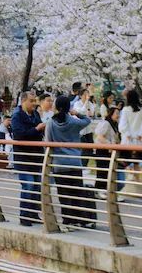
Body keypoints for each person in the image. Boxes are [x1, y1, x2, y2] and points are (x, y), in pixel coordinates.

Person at [46, 95, 95, 228]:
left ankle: (68, 221)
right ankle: (79, 219)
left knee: (63, 194)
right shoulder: (73, 122)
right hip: (74, 163)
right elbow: (87, 120)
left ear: (56, 107)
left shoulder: (50, 123)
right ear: (69, 107)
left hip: (59, 164)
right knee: (77, 192)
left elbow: (48, 143)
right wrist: (76, 113)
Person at [11, 91, 46, 226]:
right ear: (23, 101)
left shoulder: (35, 114)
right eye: (31, 101)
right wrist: (37, 129)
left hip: (36, 156)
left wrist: (41, 129)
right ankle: (24, 215)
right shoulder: (17, 116)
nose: (34, 103)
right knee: (28, 185)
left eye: (34, 101)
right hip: (23, 157)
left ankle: (33, 213)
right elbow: (19, 135)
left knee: (36, 186)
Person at [119, 89, 142, 179]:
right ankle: (136, 177)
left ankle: (131, 175)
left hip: (128, 139)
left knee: (128, 158)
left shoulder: (126, 109)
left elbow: (122, 125)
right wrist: (140, 134)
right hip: (141, 139)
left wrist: (128, 134)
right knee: (138, 159)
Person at [93, 106, 120, 199]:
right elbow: (100, 136)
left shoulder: (114, 124)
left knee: (107, 171)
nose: (118, 115)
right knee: (102, 171)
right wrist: (110, 144)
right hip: (102, 150)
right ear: (111, 114)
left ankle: (105, 190)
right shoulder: (106, 123)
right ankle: (99, 191)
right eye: (116, 113)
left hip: (108, 151)